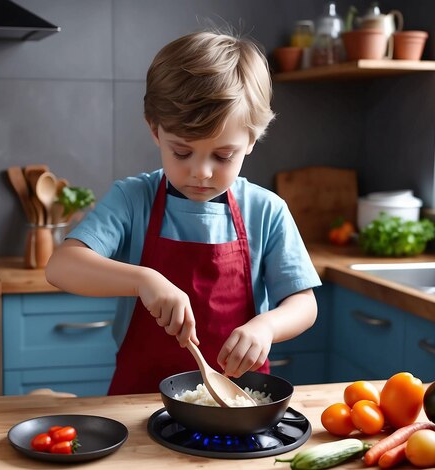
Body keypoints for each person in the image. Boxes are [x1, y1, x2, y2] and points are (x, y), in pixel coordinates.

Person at [45, 30, 321, 395]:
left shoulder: (266, 211)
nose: (201, 172)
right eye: (182, 152)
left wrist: (266, 327)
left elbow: (303, 303)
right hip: (139, 401)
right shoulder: (133, 199)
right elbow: (60, 267)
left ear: (252, 140)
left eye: (223, 156)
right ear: (154, 129)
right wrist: (144, 280)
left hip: (237, 399)